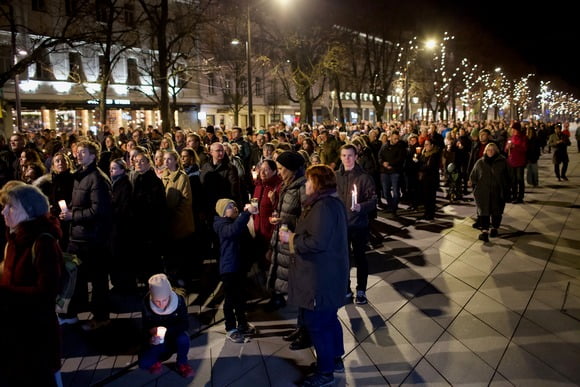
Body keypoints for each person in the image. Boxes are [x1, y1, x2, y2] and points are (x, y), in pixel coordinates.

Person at [279, 164, 349, 387]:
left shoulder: (324, 207)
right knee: (329, 320)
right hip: (327, 275)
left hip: (319, 278)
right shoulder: (328, 203)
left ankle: (325, 371)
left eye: (309, 181)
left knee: (317, 324)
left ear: (318, 184)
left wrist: (290, 239)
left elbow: (317, 242)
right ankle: (334, 360)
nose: (306, 185)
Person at [0, 183, 64, 387]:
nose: (3, 211)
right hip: (14, 329)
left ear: (29, 212)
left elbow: (46, 293)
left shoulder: (42, 243)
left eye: (10, 207)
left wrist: (5, 293)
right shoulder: (15, 238)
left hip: (35, 335)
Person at [59, 140, 113, 330]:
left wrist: (74, 215)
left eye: (83, 152)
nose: (78, 155)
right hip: (78, 236)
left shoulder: (97, 178)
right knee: (75, 277)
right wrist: (69, 212)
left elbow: (100, 210)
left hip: (93, 239)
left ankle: (101, 318)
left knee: (98, 280)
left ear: (93, 155)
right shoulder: (80, 176)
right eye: (77, 151)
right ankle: (73, 313)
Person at [335, 144, 377, 305]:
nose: (347, 158)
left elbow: (373, 200)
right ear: (340, 157)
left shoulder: (364, 177)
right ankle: (345, 288)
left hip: (359, 225)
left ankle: (361, 290)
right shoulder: (336, 176)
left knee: (360, 258)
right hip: (341, 226)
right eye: (344, 155)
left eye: (350, 155)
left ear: (356, 157)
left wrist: (361, 207)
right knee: (343, 259)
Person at [213, 198, 258, 343]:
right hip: (229, 268)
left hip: (239, 266)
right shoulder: (221, 224)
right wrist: (246, 214)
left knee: (240, 297)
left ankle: (243, 324)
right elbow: (232, 232)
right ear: (223, 212)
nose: (235, 207)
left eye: (235, 204)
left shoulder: (236, 222)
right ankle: (231, 328)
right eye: (230, 206)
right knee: (230, 299)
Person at [139, 274, 194, 378]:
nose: (161, 304)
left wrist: (168, 331)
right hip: (158, 339)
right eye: (157, 301)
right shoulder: (146, 303)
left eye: (164, 300)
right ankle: (157, 359)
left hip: (175, 336)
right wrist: (151, 334)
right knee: (143, 364)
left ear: (169, 295)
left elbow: (185, 324)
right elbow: (145, 327)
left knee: (184, 338)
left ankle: (182, 363)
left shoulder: (179, 301)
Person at [469, 143, 510, 242]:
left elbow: (508, 177)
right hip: (483, 192)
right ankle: (484, 231)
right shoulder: (480, 163)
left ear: (496, 151)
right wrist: (474, 187)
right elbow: (473, 177)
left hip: (497, 192)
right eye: (488, 150)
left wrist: (506, 189)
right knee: (484, 212)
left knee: (497, 211)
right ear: (485, 151)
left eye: (492, 150)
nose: (490, 152)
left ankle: (494, 228)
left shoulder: (502, 162)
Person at [109, 158, 135, 294]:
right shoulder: (114, 183)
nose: (111, 171)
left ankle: (124, 285)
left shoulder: (124, 184)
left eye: (114, 168)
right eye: (110, 168)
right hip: (116, 226)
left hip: (121, 227)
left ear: (122, 170)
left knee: (122, 256)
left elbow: (123, 206)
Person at [417, 140, 441, 220]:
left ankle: (430, 214)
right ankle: (426, 212)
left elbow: (430, 167)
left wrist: (420, 166)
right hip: (424, 179)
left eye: (427, 144)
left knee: (431, 197)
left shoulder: (434, 154)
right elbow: (420, 163)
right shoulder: (424, 153)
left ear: (432, 145)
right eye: (425, 144)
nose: (425, 146)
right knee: (425, 197)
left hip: (431, 179)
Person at [505, 121, 528, 203]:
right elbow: (506, 149)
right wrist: (507, 147)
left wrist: (515, 146)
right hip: (511, 161)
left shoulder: (523, 138)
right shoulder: (510, 138)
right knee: (513, 180)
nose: (512, 131)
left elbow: (524, 149)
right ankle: (514, 195)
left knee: (519, 179)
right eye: (512, 129)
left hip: (520, 161)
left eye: (514, 129)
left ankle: (520, 197)